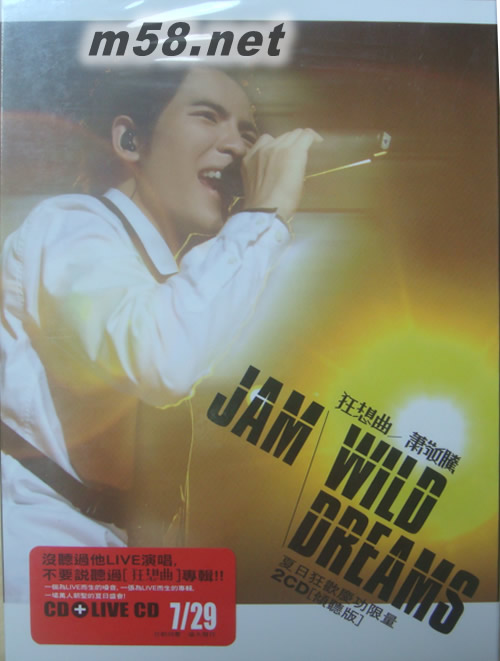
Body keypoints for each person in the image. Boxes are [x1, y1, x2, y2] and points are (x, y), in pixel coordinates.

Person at [0, 66, 320, 601]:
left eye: (246, 131)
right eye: (208, 117)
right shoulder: (71, 226)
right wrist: (264, 217)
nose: (238, 146)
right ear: (131, 140)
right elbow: (160, 357)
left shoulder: (164, 280)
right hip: (32, 558)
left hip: (101, 563)